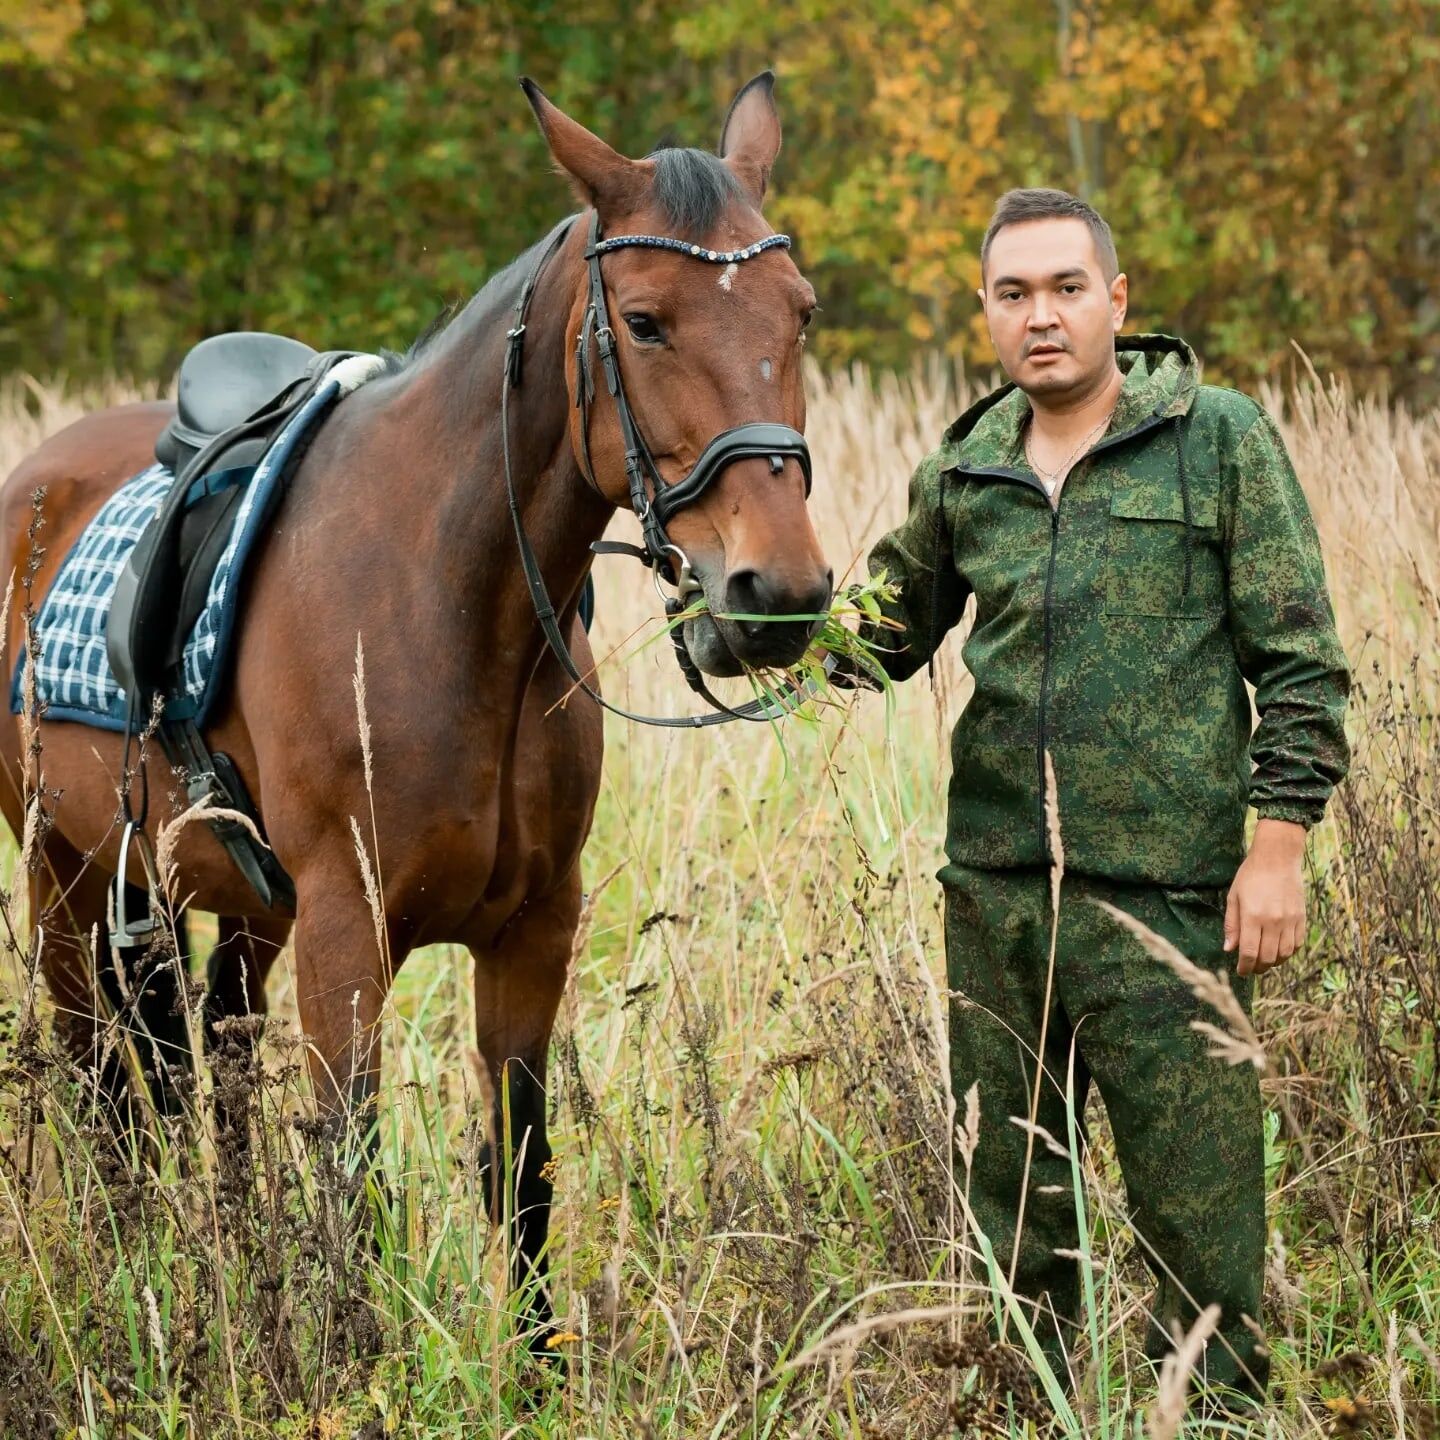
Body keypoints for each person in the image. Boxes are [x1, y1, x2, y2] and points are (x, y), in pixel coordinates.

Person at [852, 187, 1351, 1402]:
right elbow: (871, 638)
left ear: (1116, 302)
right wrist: (737, 615)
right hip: (1001, 901)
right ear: (985, 311)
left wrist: (1275, 848)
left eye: (1067, 289)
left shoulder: (1218, 438)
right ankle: (1040, 1413)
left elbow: (1300, 660)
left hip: (1168, 902)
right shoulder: (965, 471)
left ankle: (1218, 1418)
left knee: (1202, 1219)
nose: (1042, 317)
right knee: (1017, 1211)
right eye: (1013, 294)